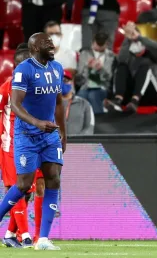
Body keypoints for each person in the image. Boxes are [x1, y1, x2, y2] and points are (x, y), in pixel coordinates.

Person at [0, 32, 66, 251]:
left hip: (49, 135)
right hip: (27, 135)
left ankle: (43, 239)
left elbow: (58, 102)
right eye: (46, 43)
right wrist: (37, 123)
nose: (51, 45)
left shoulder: (57, 69)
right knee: (23, 185)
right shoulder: (23, 70)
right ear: (35, 48)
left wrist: (64, 133)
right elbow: (16, 105)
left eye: (51, 41)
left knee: (53, 180)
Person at [0, 43, 34, 249]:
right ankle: (26, 235)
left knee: (26, 190)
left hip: (29, 145)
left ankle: (11, 233)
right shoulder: (6, 88)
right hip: (10, 144)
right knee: (16, 187)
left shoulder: (34, 88)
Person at [105, 22, 157, 113]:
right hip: (130, 96)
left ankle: (135, 100)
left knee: (144, 67)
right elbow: (121, 59)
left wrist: (138, 38)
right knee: (121, 66)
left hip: (152, 95)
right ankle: (118, 100)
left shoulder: (151, 49)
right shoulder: (128, 52)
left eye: (134, 35)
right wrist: (127, 39)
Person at [76, 32, 116, 114]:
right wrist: (88, 67)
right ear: (93, 42)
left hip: (103, 87)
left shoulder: (110, 56)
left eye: (102, 45)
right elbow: (79, 77)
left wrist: (101, 69)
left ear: (106, 44)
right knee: (81, 96)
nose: (99, 47)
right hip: (86, 85)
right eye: (97, 44)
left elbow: (109, 78)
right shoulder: (84, 54)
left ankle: (99, 122)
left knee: (93, 95)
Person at [62, 71, 95, 135]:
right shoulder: (48, 104)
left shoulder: (84, 104)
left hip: (78, 143)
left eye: (65, 81)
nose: (62, 84)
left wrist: (77, 141)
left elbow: (89, 128)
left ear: (72, 83)